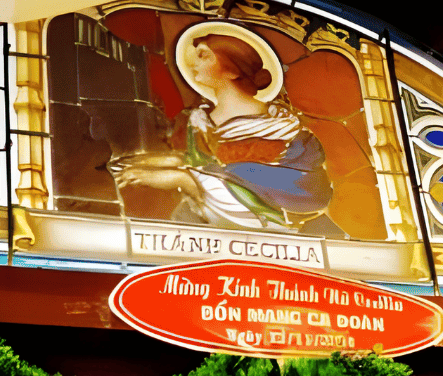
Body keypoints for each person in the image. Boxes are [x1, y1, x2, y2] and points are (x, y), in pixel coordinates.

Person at [111, 33, 334, 232]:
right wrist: (145, 162)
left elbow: (289, 188)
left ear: (231, 68)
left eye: (203, 56)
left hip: (265, 225)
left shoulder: (282, 127)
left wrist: (184, 179)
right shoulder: (202, 119)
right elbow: (200, 161)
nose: (193, 63)